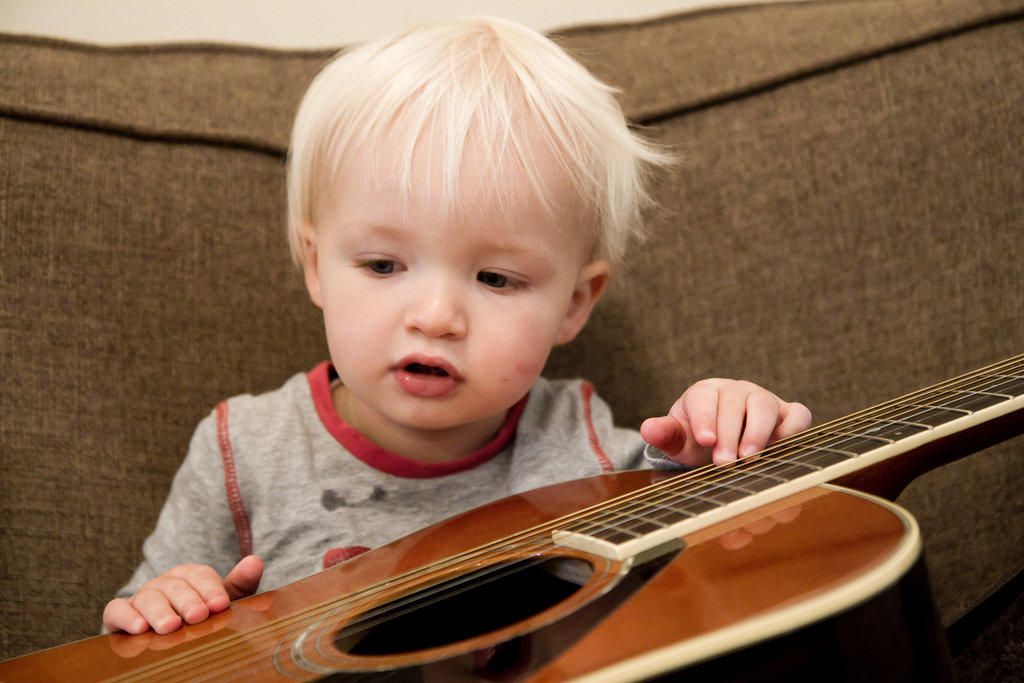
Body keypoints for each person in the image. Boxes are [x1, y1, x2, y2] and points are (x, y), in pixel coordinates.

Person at [102, 17, 811, 636]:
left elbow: (711, 562)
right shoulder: (243, 449)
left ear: (574, 302)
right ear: (316, 266)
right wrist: (165, 608)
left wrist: (724, 445)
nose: (436, 317)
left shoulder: (578, 441)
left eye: (496, 278)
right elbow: (128, 639)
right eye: (383, 264)